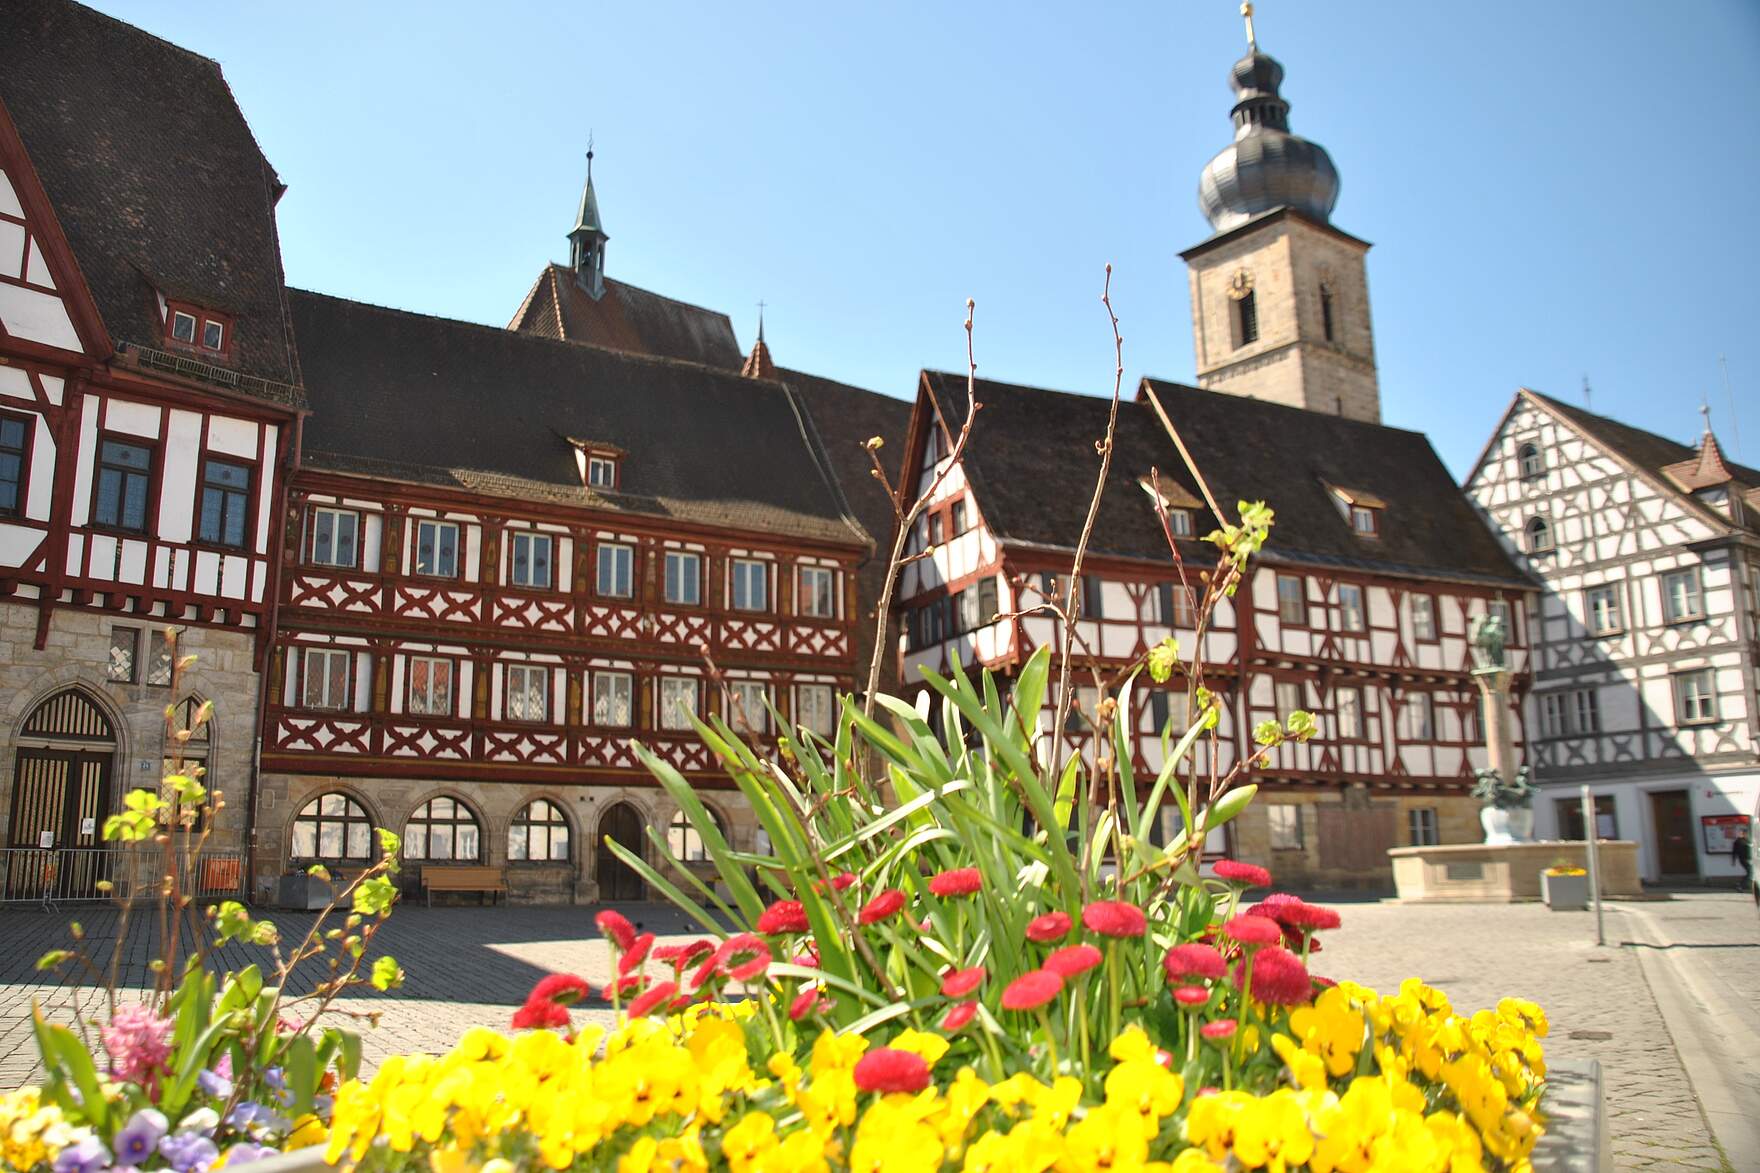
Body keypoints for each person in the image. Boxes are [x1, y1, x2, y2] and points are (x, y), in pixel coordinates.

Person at [1733, 827, 1752, 891]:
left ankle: (1742, 885)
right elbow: (1735, 851)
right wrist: (1734, 860)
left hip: (1747, 859)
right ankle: (1740, 885)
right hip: (1745, 859)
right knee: (1750, 873)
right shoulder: (1739, 841)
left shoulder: (1746, 840)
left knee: (1750, 873)